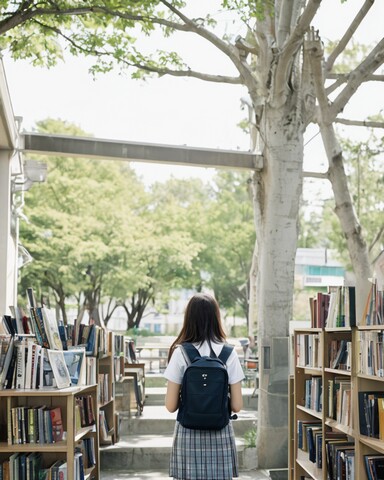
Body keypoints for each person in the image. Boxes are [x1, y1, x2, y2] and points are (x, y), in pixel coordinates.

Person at [163, 292, 245, 480]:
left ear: (188, 318)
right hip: (220, 432)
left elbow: (170, 406)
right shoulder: (229, 353)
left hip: (188, 435)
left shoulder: (180, 353)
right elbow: (237, 406)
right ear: (216, 317)